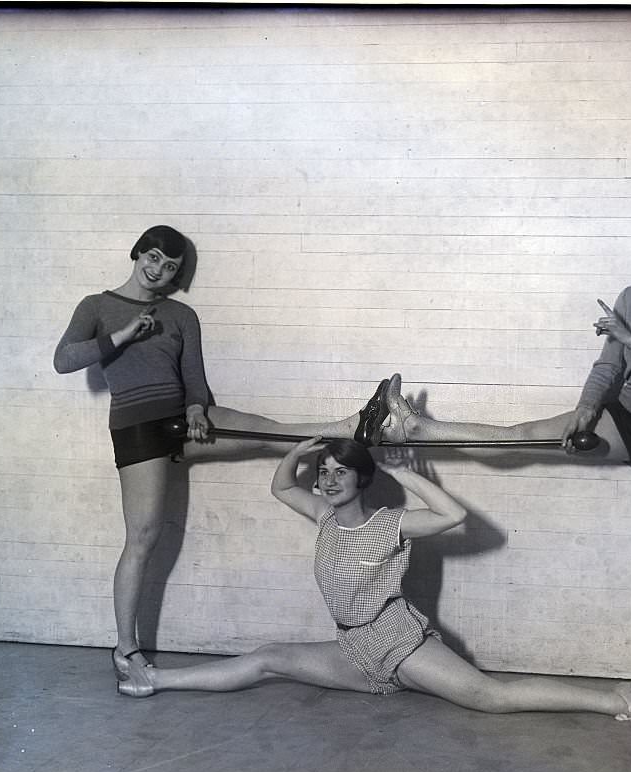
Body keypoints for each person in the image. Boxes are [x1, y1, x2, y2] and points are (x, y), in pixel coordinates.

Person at [379, 204, 631, 706]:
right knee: (522, 437)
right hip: (627, 417)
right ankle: (418, 426)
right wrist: (588, 408)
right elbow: (608, 363)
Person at [116, 438, 631, 726]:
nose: (330, 480)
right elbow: (282, 488)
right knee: (267, 657)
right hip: (353, 647)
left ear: (363, 478)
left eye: (342, 472)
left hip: (397, 640)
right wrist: (297, 454)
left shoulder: (391, 523)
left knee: (489, 697)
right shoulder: (323, 515)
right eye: (325, 473)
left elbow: (454, 517)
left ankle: (621, 700)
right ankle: (157, 681)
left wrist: (401, 471)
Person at [53, 225, 395, 681]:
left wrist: (197, 408)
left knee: (267, 432)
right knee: (143, 538)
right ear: (137, 254)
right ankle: (125, 650)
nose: (158, 271)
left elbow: (194, 377)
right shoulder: (97, 306)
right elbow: (63, 360)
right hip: (138, 430)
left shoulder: (180, 315)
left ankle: (357, 425)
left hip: (184, 419)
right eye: (153, 258)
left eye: (170, 267)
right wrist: (123, 336)